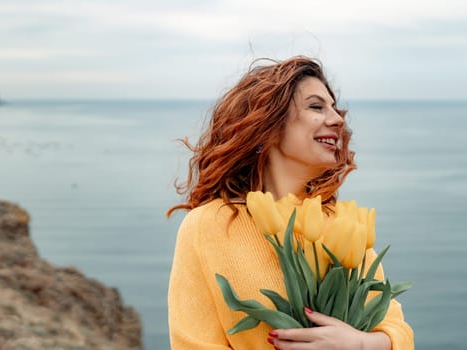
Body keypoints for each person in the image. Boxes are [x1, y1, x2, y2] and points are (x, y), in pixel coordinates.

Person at [167, 56, 414, 350]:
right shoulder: (210, 224)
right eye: (316, 106)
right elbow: (192, 343)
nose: (337, 119)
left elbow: (395, 330)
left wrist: (359, 344)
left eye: (334, 108)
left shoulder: (341, 222)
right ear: (267, 126)